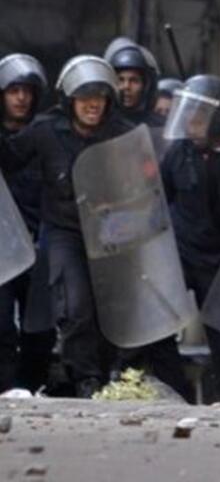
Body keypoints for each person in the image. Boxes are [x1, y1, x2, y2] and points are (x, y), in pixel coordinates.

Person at [0, 56, 133, 397]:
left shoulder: (122, 136)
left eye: (100, 97)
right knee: (74, 307)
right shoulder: (46, 131)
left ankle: (111, 373)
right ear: (69, 100)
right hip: (64, 232)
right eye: (85, 96)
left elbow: (143, 187)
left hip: (109, 233)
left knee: (111, 309)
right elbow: (10, 159)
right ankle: (85, 379)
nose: (92, 104)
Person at [160, 74, 220, 402]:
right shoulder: (178, 153)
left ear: (219, 119)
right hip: (182, 254)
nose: (191, 122)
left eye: (200, 115)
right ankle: (174, 392)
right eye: (188, 113)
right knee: (155, 327)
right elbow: (159, 198)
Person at [0, 54, 54, 393]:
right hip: (3, 247)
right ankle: (5, 389)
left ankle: (31, 387)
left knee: (40, 329)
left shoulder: (46, 134)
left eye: (27, 91)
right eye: (13, 90)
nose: (21, 98)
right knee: (1, 325)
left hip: (41, 242)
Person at [104, 38, 163, 127]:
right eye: (120, 80)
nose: (126, 86)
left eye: (134, 80)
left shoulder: (159, 126)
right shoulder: (100, 126)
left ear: (146, 85)